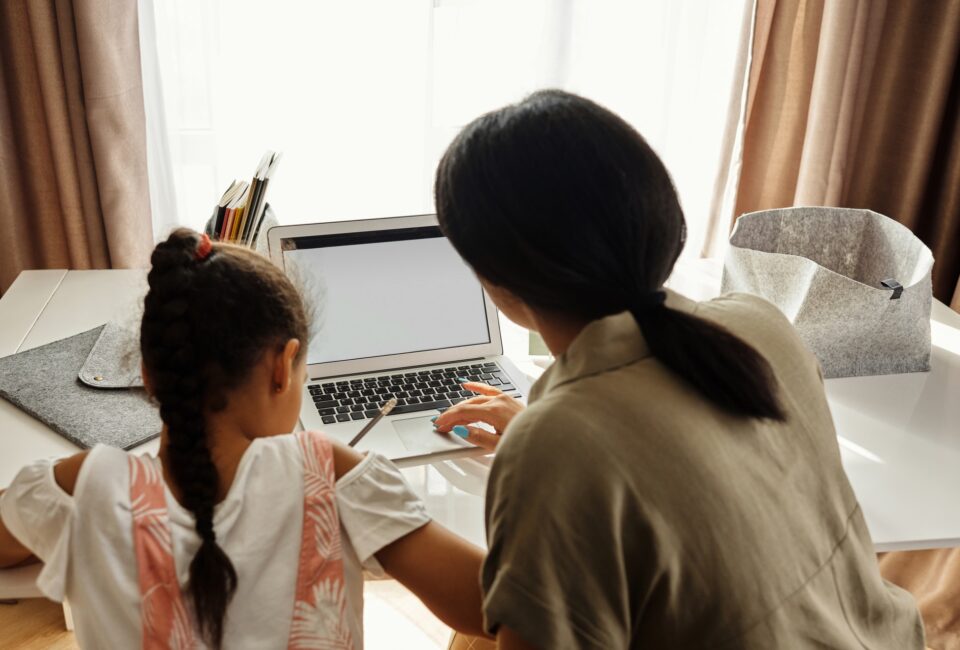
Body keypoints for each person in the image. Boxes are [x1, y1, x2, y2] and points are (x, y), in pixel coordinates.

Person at [432, 90, 925, 649]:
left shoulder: (557, 444)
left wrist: (376, 504)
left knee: (469, 640)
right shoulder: (758, 325)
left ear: (495, 277)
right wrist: (550, 432)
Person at [0, 230, 487, 648]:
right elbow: (491, 604)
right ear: (282, 367)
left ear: (146, 375)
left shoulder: (84, 485)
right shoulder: (328, 472)